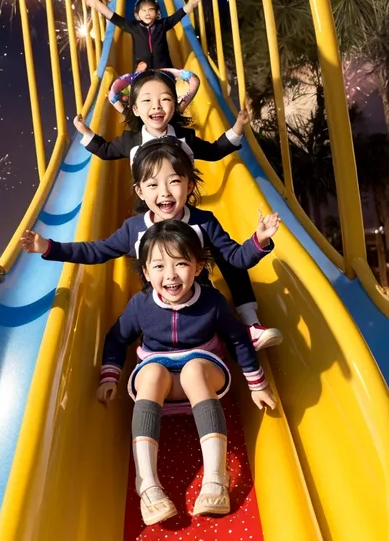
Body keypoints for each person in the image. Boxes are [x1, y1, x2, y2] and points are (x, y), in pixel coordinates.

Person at [21, 139, 283, 351]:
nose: (165, 192)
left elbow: (235, 258)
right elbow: (96, 251)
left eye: (174, 181)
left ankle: (243, 342)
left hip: (198, 302)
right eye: (153, 184)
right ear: (140, 191)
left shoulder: (203, 222)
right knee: (137, 320)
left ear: (190, 184)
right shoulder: (134, 229)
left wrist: (259, 240)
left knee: (220, 313)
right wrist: (48, 247)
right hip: (157, 304)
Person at [97, 220, 277, 525]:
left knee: (193, 370)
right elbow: (117, 337)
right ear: (145, 272)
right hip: (160, 381)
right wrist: (109, 375)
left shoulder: (211, 303)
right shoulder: (141, 305)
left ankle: (216, 478)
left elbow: (237, 339)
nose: (170, 275)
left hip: (203, 373)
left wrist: (257, 383)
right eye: (158, 266)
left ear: (198, 266)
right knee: (151, 373)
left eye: (181, 263)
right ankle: (148, 484)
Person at [73, 68, 249, 165]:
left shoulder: (184, 138)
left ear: (175, 104)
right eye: (147, 100)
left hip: (181, 208)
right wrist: (85, 131)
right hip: (148, 211)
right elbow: (105, 151)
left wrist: (238, 126)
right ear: (135, 109)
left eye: (164, 99)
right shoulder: (130, 140)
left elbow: (214, 151)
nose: (156, 105)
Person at [83, 0, 200, 71]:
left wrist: (190, 5)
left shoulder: (162, 25)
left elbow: (178, 15)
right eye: (143, 10)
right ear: (137, 14)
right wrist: (96, 4)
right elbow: (112, 16)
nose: (147, 13)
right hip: (142, 70)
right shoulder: (133, 27)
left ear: (157, 13)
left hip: (165, 69)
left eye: (151, 10)